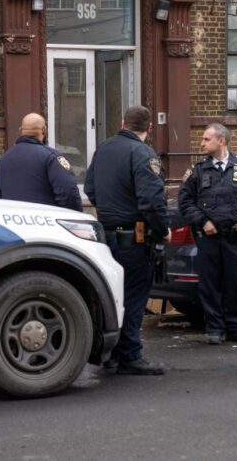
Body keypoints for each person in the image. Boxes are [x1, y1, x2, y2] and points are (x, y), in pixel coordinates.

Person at [85, 105, 170, 375]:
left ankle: (112, 353)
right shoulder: (143, 153)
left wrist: (109, 211)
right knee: (133, 297)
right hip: (135, 237)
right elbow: (151, 201)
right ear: (149, 128)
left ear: (123, 123)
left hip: (106, 235)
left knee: (113, 296)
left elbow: (90, 189)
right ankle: (130, 355)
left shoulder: (103, 149)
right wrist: (163, 230)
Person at [177, 123, 237, 346]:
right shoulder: (197, 170)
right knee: (209, 285)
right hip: (209, 238)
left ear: (221, 141)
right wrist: (203, 221)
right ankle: (214, 329)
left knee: (235, 284)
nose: (201, 143)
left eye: (206, 139)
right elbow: (185, 202)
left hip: (235, 237)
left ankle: (236, 327)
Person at [0, 113, 82, 211]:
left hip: (12, 218)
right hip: (44, 218)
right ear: (44, 130)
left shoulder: (3, 159)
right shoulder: (51, 156)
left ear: (20, 130)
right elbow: (68, 191)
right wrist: (72, 215)